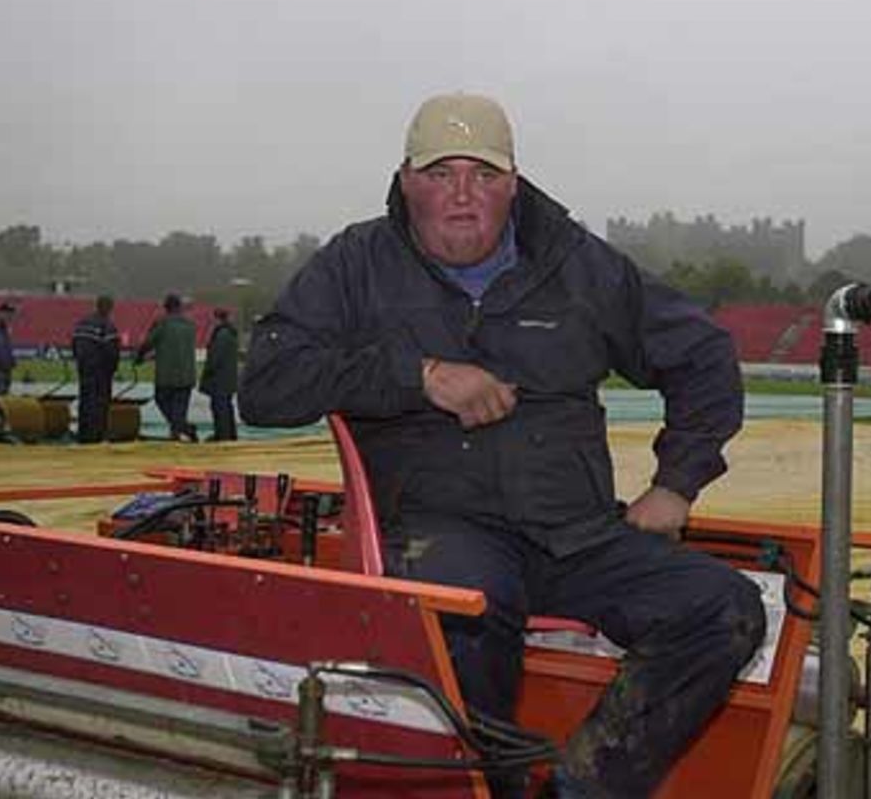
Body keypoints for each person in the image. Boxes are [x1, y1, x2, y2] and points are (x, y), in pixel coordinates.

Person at [239, 92, 765, 798]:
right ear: (405, 181)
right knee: (465, 611)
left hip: (574, 535)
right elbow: (267, 382)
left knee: (724, 608)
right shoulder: (356, 264)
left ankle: (582, 786)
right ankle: (488, 790)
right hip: (440, 527)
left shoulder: (578, 264)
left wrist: (677, 483)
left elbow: (702, 354)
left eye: (483, 175)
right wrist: (416, 376)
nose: (462, 194)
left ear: (513, 183)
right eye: (440, 173)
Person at [136, 293, 198, 442]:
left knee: (162, 399)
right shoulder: (190, 325)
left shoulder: (162, 323)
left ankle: (182, 429)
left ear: (166, 308)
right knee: (180, 407)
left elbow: (148, 343)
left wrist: (140, 357)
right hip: (187, 374)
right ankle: (178, 430)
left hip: (167, 375)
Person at [71, 295, 121, 443]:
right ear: (108, 308)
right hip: (101, 371)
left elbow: (74, 345)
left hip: (84, 369)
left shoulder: (81, 324)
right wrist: (112, 369)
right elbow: (112, 351)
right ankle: (97, 435)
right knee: (100, 404)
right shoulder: (107, 325)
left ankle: (84, 434)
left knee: (85, 401)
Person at [199, 307, 239, 441]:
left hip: (219, 380)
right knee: (226, 407)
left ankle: (223, 435)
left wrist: (207, 373)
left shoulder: (222, 335)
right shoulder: (229, 333)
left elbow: (215, 359)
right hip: (227, 379)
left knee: (219, 408)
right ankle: (229, 434)